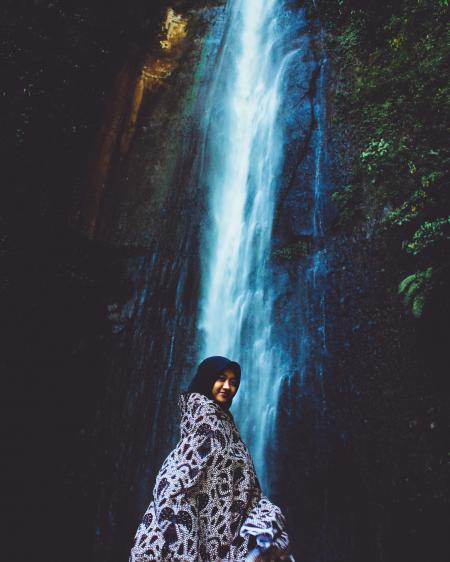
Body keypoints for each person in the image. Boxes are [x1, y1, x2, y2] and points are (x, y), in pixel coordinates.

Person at [129, 355, 293, 561]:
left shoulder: (223, 423)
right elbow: (170, 485)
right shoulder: (207, 421)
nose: (227, 386)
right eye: (221, 378)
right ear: (207, 379)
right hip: (177, 545)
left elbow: (246, 489)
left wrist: (266, 520)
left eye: (233, 382)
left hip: (211, 538)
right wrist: (186, 549)